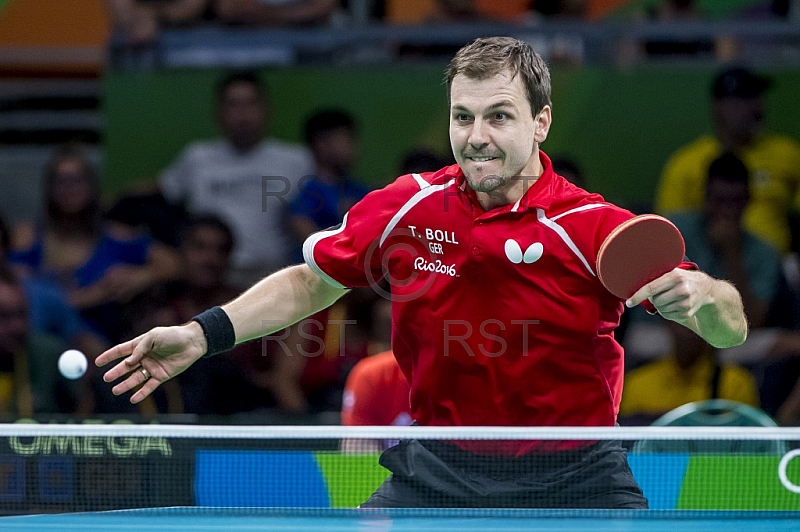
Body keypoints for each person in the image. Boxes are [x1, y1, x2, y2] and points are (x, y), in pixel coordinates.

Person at [97, 37, 747, 509]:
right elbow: (312, 280)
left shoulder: (591, 226)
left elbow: (728, 330)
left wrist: (706, 294)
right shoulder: (408, 206)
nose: (476, 136)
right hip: (437, 470)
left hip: (577, 474)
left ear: (541, 122)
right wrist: (201, 335)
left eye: (499, 115)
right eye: (463, 116)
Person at [9, 145, 180, 344]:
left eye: (78, 180)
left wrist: (140, 276)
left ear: (92, 185)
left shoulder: (117, 237)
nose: (69, 188)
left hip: (104, 349)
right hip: (37, 345)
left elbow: (177, 265)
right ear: (49, 187)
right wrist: (90, 296)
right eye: (61, 181)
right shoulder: (26, 237)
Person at [159, 71, 314, 289]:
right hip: (208, 277)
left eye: (251, 104)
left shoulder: (296, 160)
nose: (243, 114)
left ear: (266, 109)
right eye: (233, 104)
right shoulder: (196, 157)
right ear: (219, 112)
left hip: (273, 274)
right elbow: (157, 194)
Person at [655, 67, 800, 254]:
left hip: (778, 266)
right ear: (719, 106)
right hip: (708, 265)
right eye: (743, 98)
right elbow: (669, 232)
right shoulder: (686, 163)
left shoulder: (786, 153)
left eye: (756, 96)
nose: (755, 105)